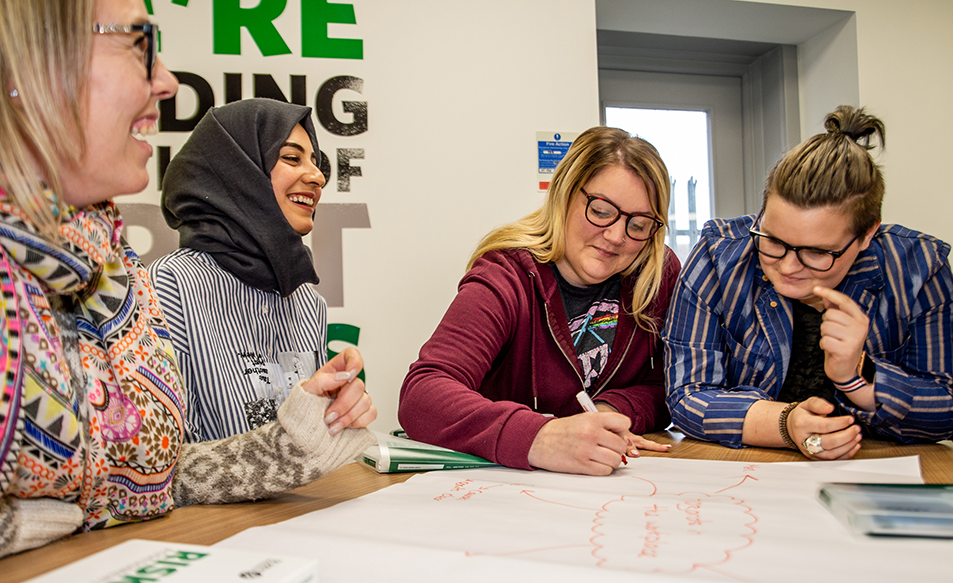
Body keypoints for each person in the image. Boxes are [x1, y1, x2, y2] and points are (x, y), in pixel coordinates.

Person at [0, 0, 374, 573]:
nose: (166, 82)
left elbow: (156, 475)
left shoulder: (111, 270)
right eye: (137, 43)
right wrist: (11, 526)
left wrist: (294, 442)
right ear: (29, 67)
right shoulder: (163, 283)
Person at [663, 105, 953, 459]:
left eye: (816, 252)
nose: (786, 266)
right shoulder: (718, 254)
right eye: (773, 239)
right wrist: (785, 424)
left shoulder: (920, 267)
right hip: (751, 469)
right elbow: (687, 395)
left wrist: (857, 378)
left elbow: (946, 409)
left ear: (867, 235)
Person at [399, 126, 681, 476]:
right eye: (601, 209)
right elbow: (422, 396)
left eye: (638, 224)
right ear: (565, 193)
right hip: (510, 495)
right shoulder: (507, 275)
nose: (616, 236)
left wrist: (608, 410)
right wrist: (540, 437)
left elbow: (668, 385)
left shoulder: (656, 274)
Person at [150, 98, 374, 442]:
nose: (317, 177)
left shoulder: (307, 303)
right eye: (291, 158)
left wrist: (338, 423)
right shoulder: (170, 287)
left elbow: (307, 449)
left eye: (315, 162)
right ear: (237, 171)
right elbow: (172, 461)